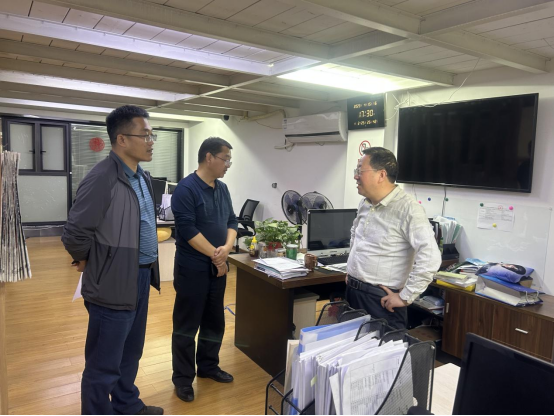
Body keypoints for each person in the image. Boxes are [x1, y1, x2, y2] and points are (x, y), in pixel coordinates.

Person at [61, 105, 163, 415]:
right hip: (112, 280)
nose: (151, 141)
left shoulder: (142, 176)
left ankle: (126, 404)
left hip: (141, 275)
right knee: (103, 362)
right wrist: (89, 260)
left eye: (152, 135)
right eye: (145, 135)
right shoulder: (102, 178)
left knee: (131, 351)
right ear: (121, 139)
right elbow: (74, 233)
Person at [171, 137, 238, 403]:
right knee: (187, 325)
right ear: (209, 157)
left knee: (214, 320)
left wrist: (227, 248)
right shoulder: (186, 189)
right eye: (225, 159)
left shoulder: (222, 188)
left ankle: (208, 366)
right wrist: (217, 256)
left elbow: (232, 221)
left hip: (216, 267)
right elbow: (187, 230)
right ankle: (183, 378)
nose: (228, 165)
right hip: (192, 269)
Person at [346, 147, 441, 330]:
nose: (356, 176)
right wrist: (352, 271)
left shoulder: (408, 209)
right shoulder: (365, 203)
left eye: (360, 171)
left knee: (381, 349)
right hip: (353, 293)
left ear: (381, 175)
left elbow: (430, 257)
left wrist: (405, 297)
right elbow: (355, 235)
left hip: (381, 301)